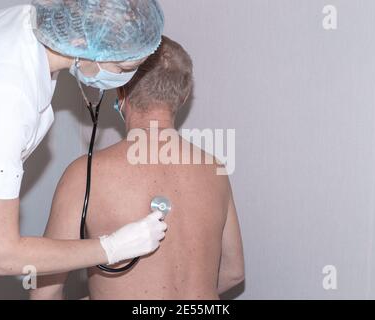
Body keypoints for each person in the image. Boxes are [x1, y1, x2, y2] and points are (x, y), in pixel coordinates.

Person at [0, 0, 168, 277]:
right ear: (82, 40)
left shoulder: (26, 22)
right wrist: (112, 248)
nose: (123, 80)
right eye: (120, 68)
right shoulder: (7, 94)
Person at [30, 36, 245, 300]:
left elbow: (45, 292)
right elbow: (234, 272)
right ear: (184, 95)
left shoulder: (85, 174)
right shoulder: (215, 169)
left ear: (120, 90)